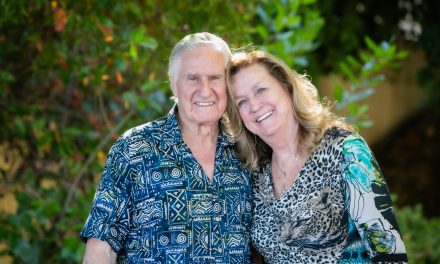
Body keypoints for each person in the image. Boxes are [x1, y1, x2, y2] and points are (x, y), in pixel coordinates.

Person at [80, 32, 253, 263]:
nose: (205, 89)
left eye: (215, 78)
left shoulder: (247, 150)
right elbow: (101, 247)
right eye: (193, 78)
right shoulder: (134, 148)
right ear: (173, 82)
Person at [224, 50, 407, 263]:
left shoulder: (345, 150)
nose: (254, 106)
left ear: (287, 87)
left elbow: (389, 251)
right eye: (241, 102)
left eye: (261, 90)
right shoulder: (256, 173)